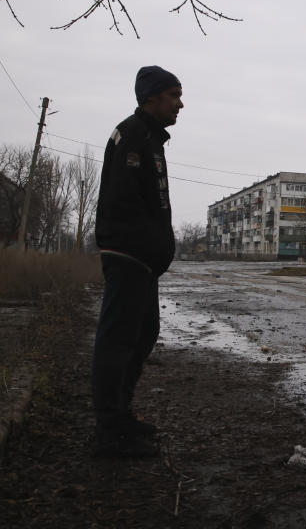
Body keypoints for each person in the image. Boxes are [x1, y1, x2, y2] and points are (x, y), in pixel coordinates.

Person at [91, 65, 183, 458]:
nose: (180, 104)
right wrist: (148, 246)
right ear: (151, 97)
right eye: (173, 96)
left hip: (141, 261)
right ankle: (109, 432)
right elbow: (125, 203)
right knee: (118, 340)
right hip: (130, 256)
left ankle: (121, 415)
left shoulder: (147, 138)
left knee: (142, 334)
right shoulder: (132, 136)